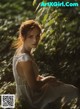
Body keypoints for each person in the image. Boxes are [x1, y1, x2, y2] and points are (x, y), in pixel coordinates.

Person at [12, 20, 79, 109]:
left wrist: (44, 79)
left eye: (37, 36)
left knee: (66, 88)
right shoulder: (25, 59)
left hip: (27, 92)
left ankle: (66, 105)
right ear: (22, 37)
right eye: (30, 37)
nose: (35, 40)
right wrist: (48, 79)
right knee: (73, 90)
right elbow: (34, 86)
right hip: (31, 98)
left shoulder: (22, 50)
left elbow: (28, 77)